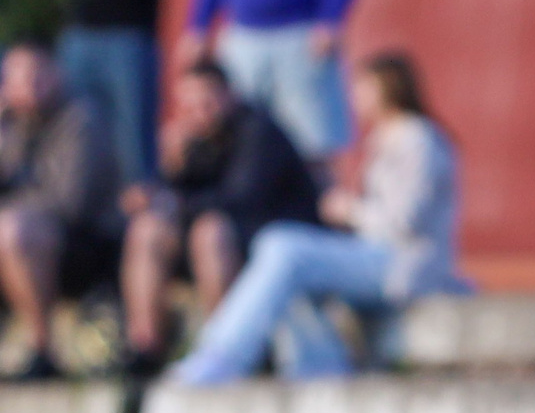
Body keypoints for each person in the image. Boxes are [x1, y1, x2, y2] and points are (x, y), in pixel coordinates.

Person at [170, 50, 465, 385]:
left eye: (363, 88)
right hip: (379, 254)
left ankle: (223, 355)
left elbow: (406, 220)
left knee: (284, 247)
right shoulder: (385, 139)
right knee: (282, 254)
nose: (355, 97)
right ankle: (318, 365)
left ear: (388, 88)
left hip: (405, 263)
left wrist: (348, 210)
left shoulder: (418, 139)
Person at [119, 57, 321, 371]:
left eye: (208, 101)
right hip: (224, 238)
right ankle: (146, 347)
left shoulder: (258, 131)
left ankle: (225, 349)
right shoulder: (194, 141)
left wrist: (173, 203)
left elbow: (241, 199)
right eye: (191, 105)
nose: (201, 112)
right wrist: (171, 168)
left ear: (230, 95)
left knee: (210, 233)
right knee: (147, 229)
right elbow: (175, 198)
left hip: (271, 240)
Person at [179, 0, 367, 166]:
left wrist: (331, 18)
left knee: (312, 141)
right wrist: (198, 24)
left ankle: (317, 202)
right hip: (242, 34)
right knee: (237, 138)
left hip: (302, 34)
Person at [29, 0, 183, 191]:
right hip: (79, 33)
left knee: (134, 150)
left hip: (130, 34)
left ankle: (139, 226)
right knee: (75, 133)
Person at [0, 41, 120, 382]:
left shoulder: (82, 119)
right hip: (26, 240)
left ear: (57, 74)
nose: (29, 86)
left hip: (86, 246)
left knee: (13, 228)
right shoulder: (11, 126)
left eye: (37, 75)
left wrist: (14, 203)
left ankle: (42, 349)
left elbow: (72, 203)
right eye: (17, 78)